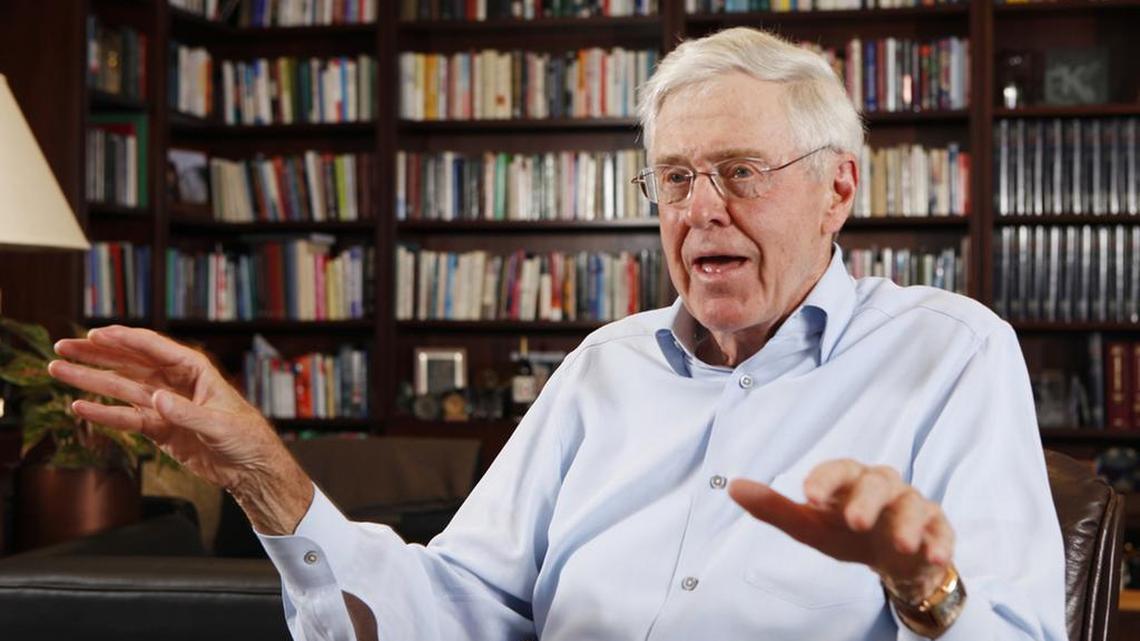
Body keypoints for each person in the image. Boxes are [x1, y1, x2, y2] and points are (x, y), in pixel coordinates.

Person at [49, 27, 1066, 641]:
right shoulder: (603, 369)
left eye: (741, 172)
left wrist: (922, 587)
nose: (701, 208)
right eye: (675, 177)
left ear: (838, 186)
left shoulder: (952, 352)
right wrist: (262, 471)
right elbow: (450, 608)